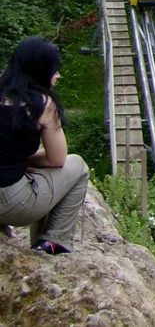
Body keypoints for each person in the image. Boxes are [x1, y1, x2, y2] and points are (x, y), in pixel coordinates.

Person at [0, 37, 89, 255]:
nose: (58, 75)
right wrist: (24, 161)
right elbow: (56, 159)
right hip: (12, 203)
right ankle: (53, 241)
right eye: (54, 70)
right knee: (78, 166)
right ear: (40, 70)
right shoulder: (41, 103)